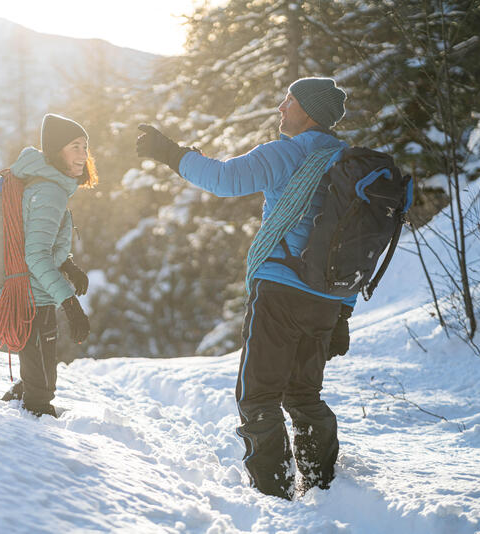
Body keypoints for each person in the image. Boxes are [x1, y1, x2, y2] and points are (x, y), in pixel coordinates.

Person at [136, 77, 355, 498]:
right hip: (327, 299)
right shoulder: (347, 160)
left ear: (308, 111)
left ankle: (272, 493)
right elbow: (351, 245)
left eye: (288, 100)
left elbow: (223, 179)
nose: (280, 107)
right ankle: (324, 485)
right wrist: (343, 311)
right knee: (305, 394)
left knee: (258, 394)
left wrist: (170, 153)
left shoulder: (289, 152)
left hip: (281, 291)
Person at [0, 113, 95, 417]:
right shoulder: (50, 191)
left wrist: (67, 265)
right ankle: (32, 447)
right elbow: (36, 256)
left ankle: (16, 404)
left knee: (41, 386)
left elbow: (42, 245)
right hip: (32, 299)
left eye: (85, 147)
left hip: (31, 295)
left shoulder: (46, 184)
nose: (83, 155)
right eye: (75, 146)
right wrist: (69, 302)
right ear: (56, 151)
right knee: (40, 398)